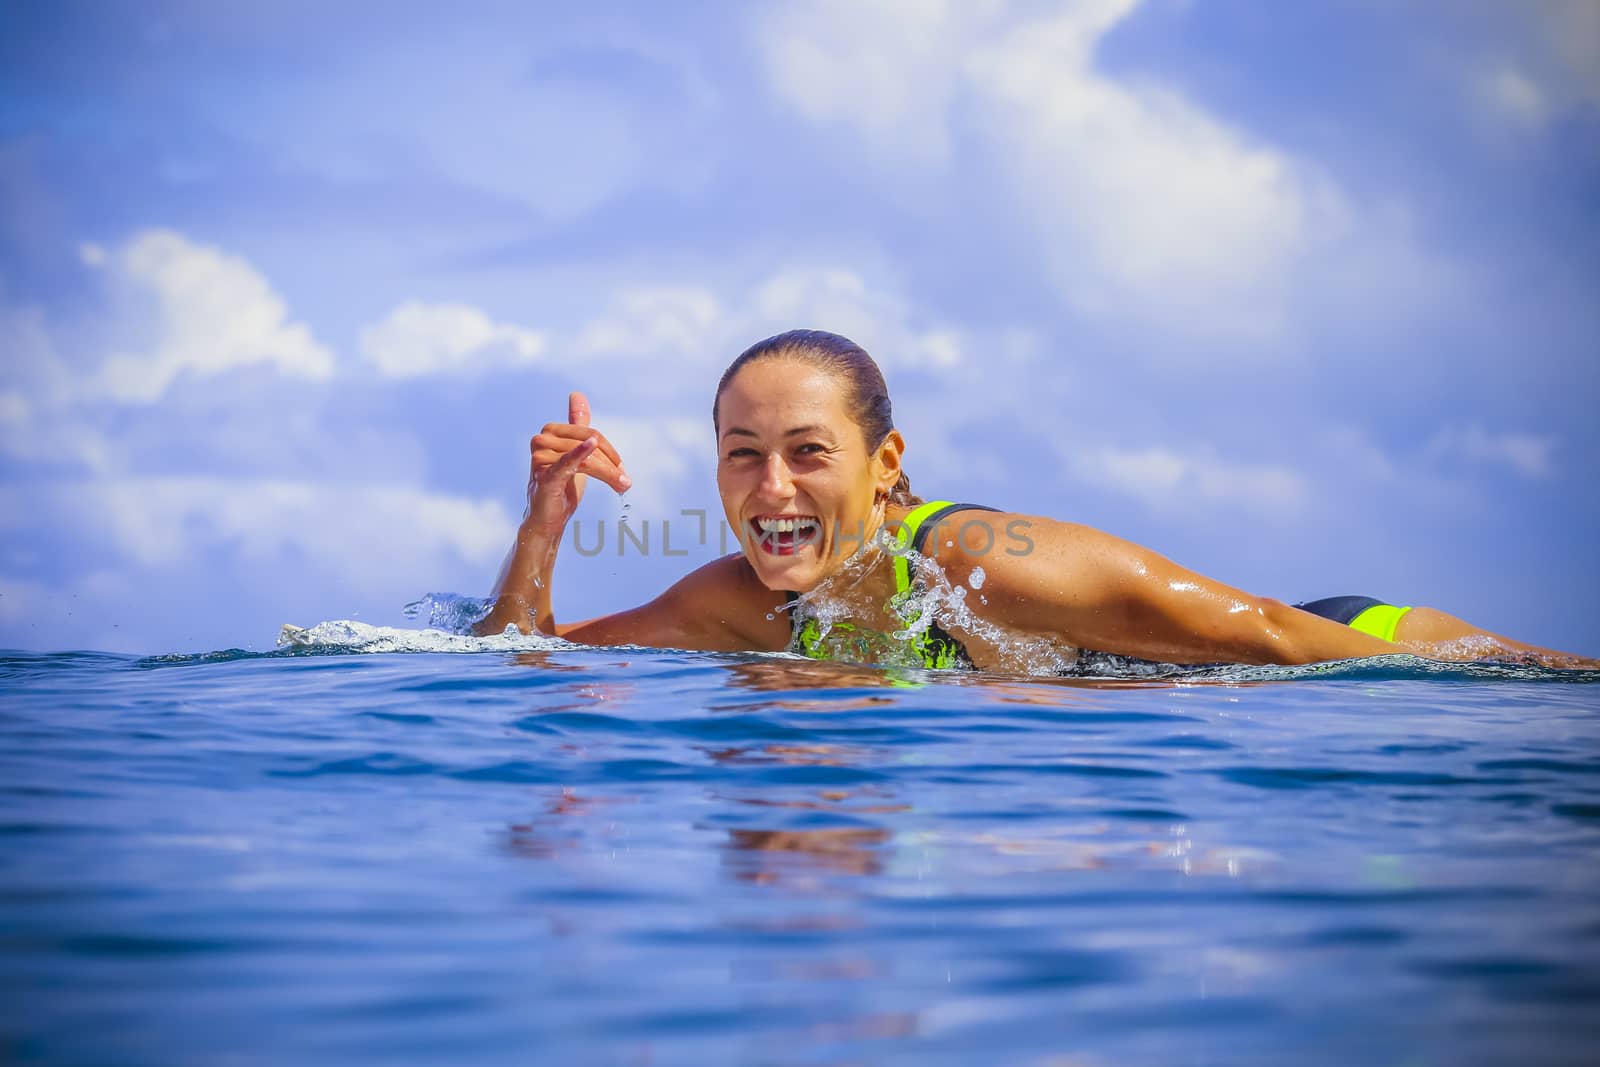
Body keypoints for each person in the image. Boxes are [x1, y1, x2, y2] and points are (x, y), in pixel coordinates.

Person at [475, 330, 1597, 672]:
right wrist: (543, 523)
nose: (771, 489)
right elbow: (518, 657)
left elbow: (1264, 633)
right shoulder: (739, 600)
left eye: (807, 452)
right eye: (740, 454)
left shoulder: (986, 567)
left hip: (1343, 638)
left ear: (885, 462)